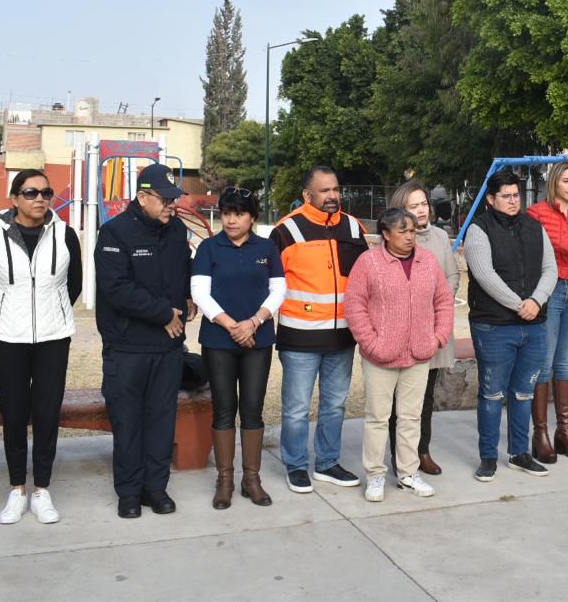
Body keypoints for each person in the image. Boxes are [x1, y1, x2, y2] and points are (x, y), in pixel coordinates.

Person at [0, 170, 82, 525]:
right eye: (30, 192)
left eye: (46, 192)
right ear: (14, 198)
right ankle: (17, 489)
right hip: (8, 337)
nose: (40, 198)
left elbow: (74, 283)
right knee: (15, 414)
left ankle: (42, 490)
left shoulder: (65, 234)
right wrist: (6, 315)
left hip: (53, 336)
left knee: (48, 414)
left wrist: (53, 311)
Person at [94, 163, 193, 518]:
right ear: (142, 196)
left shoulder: (176, 229)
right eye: (165, 199)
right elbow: (117, 289)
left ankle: (156, 487)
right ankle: (129, 493)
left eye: (174, 198)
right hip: (127, 347)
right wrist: (164, 314)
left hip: (166, 349)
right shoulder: (115, 233)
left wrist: (186, 300)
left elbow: (183, 270)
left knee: (161, 421)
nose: (171, 205)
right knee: (128, 422)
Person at [345, 208, 454, 502]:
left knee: (410, 417)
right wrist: (372, 343)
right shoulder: (368, 263)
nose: (409, 236)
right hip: (380, 357)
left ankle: (407, 473)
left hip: (419, 355)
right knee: (378, 418)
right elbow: (354, 306)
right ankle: (376, 475)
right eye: (403, 231)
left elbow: (444, 301)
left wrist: (437, 338)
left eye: (412, 231)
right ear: (385, 234)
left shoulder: (427, 262)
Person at [271, 166, 368, 494]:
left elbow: (366, 278)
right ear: (307, 195)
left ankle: (327, 462)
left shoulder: (353, 227)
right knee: (297, 407)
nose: (332, 196)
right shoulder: (287, 231)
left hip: (342, 336)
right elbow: (270, 285)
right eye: (324, 191)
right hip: (300, 336)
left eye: (335, 190)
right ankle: (296, 464)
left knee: (335, 404)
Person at [190, 186, 285, 508]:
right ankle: (225, 479)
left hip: (258, 340)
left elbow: (278, 291)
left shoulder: (267, 248)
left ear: (252, 217)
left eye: (239, 214)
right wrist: (232, 325)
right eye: (227, 213)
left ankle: (251, 479)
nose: (232, 220)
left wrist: (253, 323)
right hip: (219, 340)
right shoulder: (208, 248)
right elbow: (200, 293)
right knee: (224, 408)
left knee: (253, 409)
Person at [465, 170, 557, 482]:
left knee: (523, 393)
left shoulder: (534, 226)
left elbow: (550, 268)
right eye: (506, 195)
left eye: (516, 195)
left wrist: (537, 300)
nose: (513, 200)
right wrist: (520, 304)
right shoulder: (479, 229)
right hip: (494, 325)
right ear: (491, 200)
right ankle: (488, 457)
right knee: (492, 394)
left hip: (533, 324)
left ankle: (520, 453)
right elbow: (484, 274)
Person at [387, 181, 459, 476]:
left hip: (434, 327)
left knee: (426, 395)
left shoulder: (441, 236)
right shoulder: (396, 240)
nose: (421, 210)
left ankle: (422, 450)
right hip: (404, 330)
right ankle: (399, 455)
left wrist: (437, 305)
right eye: (413, 205)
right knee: (401, 397)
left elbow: (452, 275)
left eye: (423, 204)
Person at [526, 162, 568, 462]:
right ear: (555, 182)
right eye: (566, 180)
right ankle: (539, 433)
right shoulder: (538, 213)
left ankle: (564, 431)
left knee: (565, 360)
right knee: (545, 360)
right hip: (549, 291)